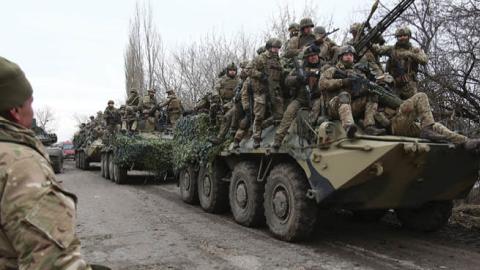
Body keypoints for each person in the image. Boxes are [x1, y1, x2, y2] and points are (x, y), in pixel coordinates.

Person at [0, 56, 106, 269]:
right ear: (15, 110)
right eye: (30, 102)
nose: (32, 109)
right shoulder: (20, 164)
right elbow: (53, 262)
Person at [374, 92, 480, 151]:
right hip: (393, 125)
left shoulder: (391, 93)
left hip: (406, 125)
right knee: (421, 96)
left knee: (436, 126)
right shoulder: (373, 96)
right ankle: (426, 130)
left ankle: (464, 141)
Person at [320, 46, 385, 137]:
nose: (349, 57)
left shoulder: (358, 73)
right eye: (346, 55)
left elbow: (364, 87)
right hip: (334, 107)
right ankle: (349, 127)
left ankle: (369, 126)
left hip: (351, 105)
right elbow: (322, 84)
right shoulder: (332, 70)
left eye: (351, 55)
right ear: (340, 57)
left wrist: (366, 88)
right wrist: (342, 82)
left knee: (373, 95)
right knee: (344, 95)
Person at [273, 46, 320, 148]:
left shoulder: (324, 67)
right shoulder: (300, 69)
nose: (313, 58)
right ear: (307, 58)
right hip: (300, 98)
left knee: (315, 112)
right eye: (311, 56)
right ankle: (278, 139)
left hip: (316, 98)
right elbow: (287, 81)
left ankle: (310, 135)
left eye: (315, 55)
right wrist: (298, 79)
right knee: (289, 112)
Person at [372, 26, 428, 100]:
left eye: (405, 35)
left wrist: (410, 55)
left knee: (413, 106)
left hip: (409, 85)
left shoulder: (415, 50)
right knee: (393, 107)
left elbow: (424, 60)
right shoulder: (391, 49)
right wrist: (372, 38)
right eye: (400, 36)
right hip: (394, 85)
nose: (402, 38)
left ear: (409, 36)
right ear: (397, 37)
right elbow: (378, 50)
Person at [249, 38, 284, 148]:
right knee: (259, 115)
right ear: (269, 48)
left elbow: (281, 73)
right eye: (274, 48)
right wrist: (261, 76)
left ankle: (275, 134)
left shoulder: (278, 60)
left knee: (279, 114)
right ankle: (256, 137)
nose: (276, 50)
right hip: (262, 90)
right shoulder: (261, 58)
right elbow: (249, 70)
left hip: (274, 90)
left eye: (278, 48)